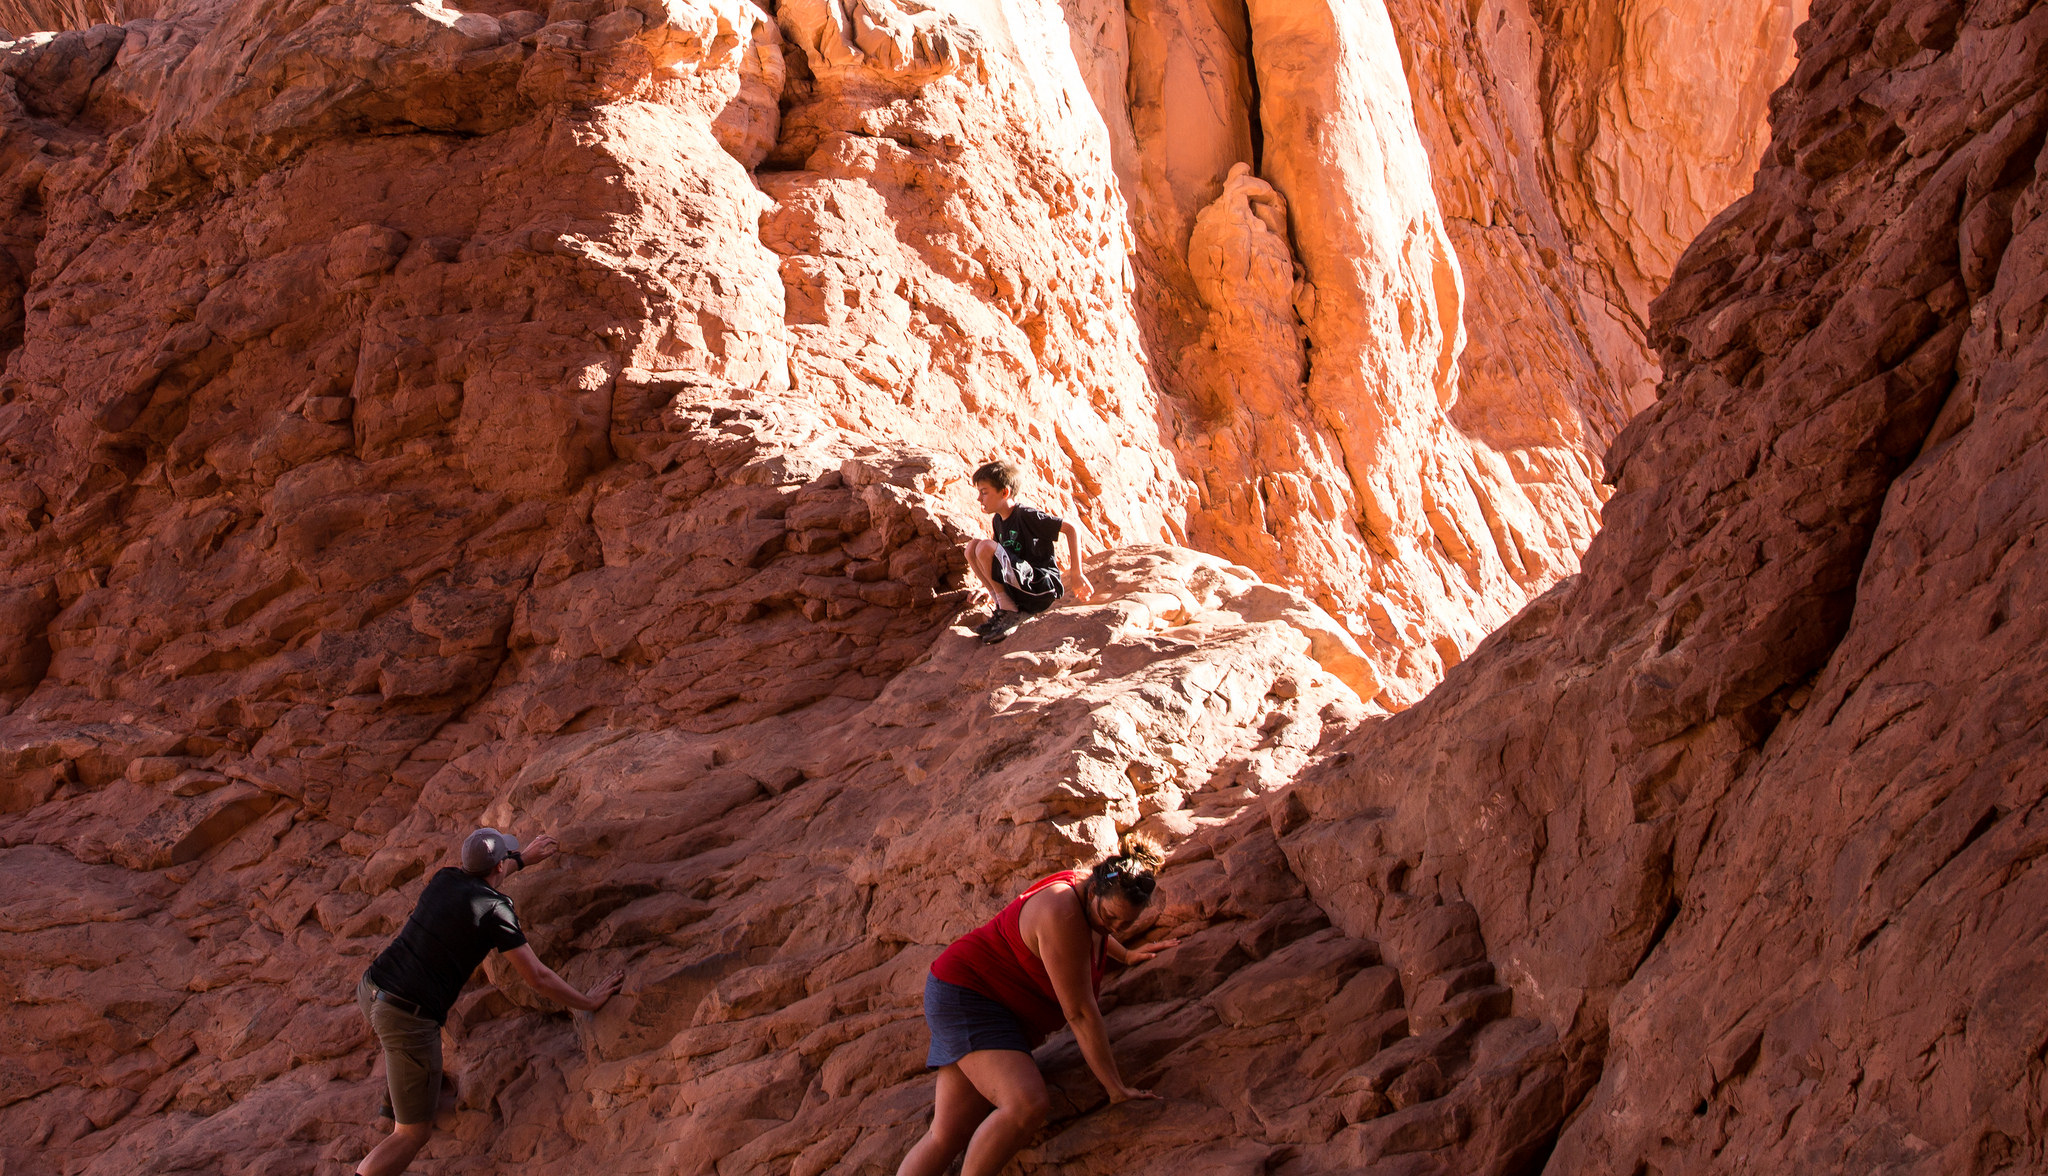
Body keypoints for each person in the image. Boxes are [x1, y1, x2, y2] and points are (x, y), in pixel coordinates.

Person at [898, 834, 1180, 1176]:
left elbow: (1094, 934)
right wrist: (1115, 1088)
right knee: (1025, 1105)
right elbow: (1079, 1012)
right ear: (1094, 890)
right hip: (969, 996)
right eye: (1110, 916)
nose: (1114, 927)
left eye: (1126, 923)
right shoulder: (1060, 912)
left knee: (947, 1134)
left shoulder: (1087, 891)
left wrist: (1126, 954)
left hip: (986, 1001)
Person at [353, 828, 624, 1176]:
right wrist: (588, 1002)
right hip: (406, 1014)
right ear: (498, 867)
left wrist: (523, 859)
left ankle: (410, 1092)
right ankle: (403, 1116)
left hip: (372, 987)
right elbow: (538, 977)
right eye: (507, 857)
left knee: (403, 1048)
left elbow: (488, 875)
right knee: (412, 1133)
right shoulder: (496, 910)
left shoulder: (445, 878)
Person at [963, 459, 1094, 644]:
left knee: (984, 546)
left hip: (1040, 587)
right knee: (972, 548)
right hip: (1021, 586)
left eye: (984, 492)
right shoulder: (998, 520)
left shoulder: (1027, 515)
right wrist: (987, 587)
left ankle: (1009, 611)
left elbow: (1072, 529)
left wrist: (1076, 573)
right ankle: (1002, 607)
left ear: (1005, 492)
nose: (979, 498)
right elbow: (997, 560)